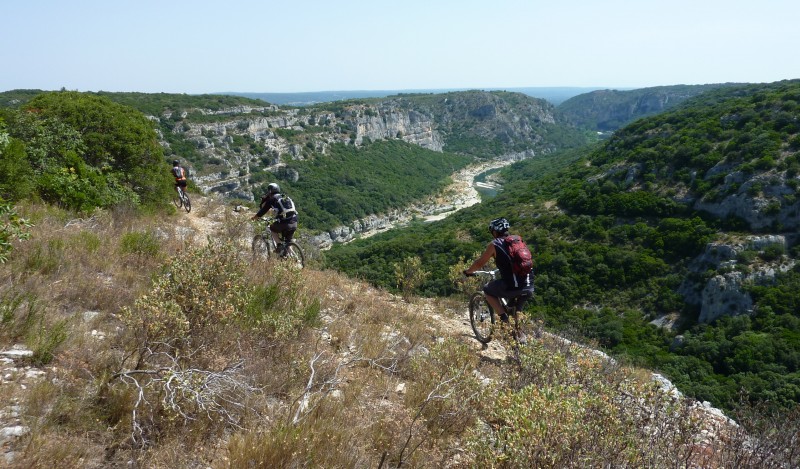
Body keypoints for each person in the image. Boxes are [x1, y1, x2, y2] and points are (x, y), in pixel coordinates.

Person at [463, 217, 534, 343]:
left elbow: (479, 263)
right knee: (516, 309)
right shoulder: (518, 240)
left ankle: (503, 319)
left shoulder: (494, 244)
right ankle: (520, 337)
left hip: (512, 286)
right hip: (529, 285)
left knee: (487, 290)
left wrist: (469, 272)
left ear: (494, 232)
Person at [250, 183, 298, 255]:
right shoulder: (285, 196)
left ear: (269, 191)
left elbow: (263, 211)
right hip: (294, 221)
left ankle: (279, 245)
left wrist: (254, 218)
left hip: (284, 223)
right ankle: (294, 258)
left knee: (272, 229)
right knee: (288, 241)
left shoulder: (272, 199)